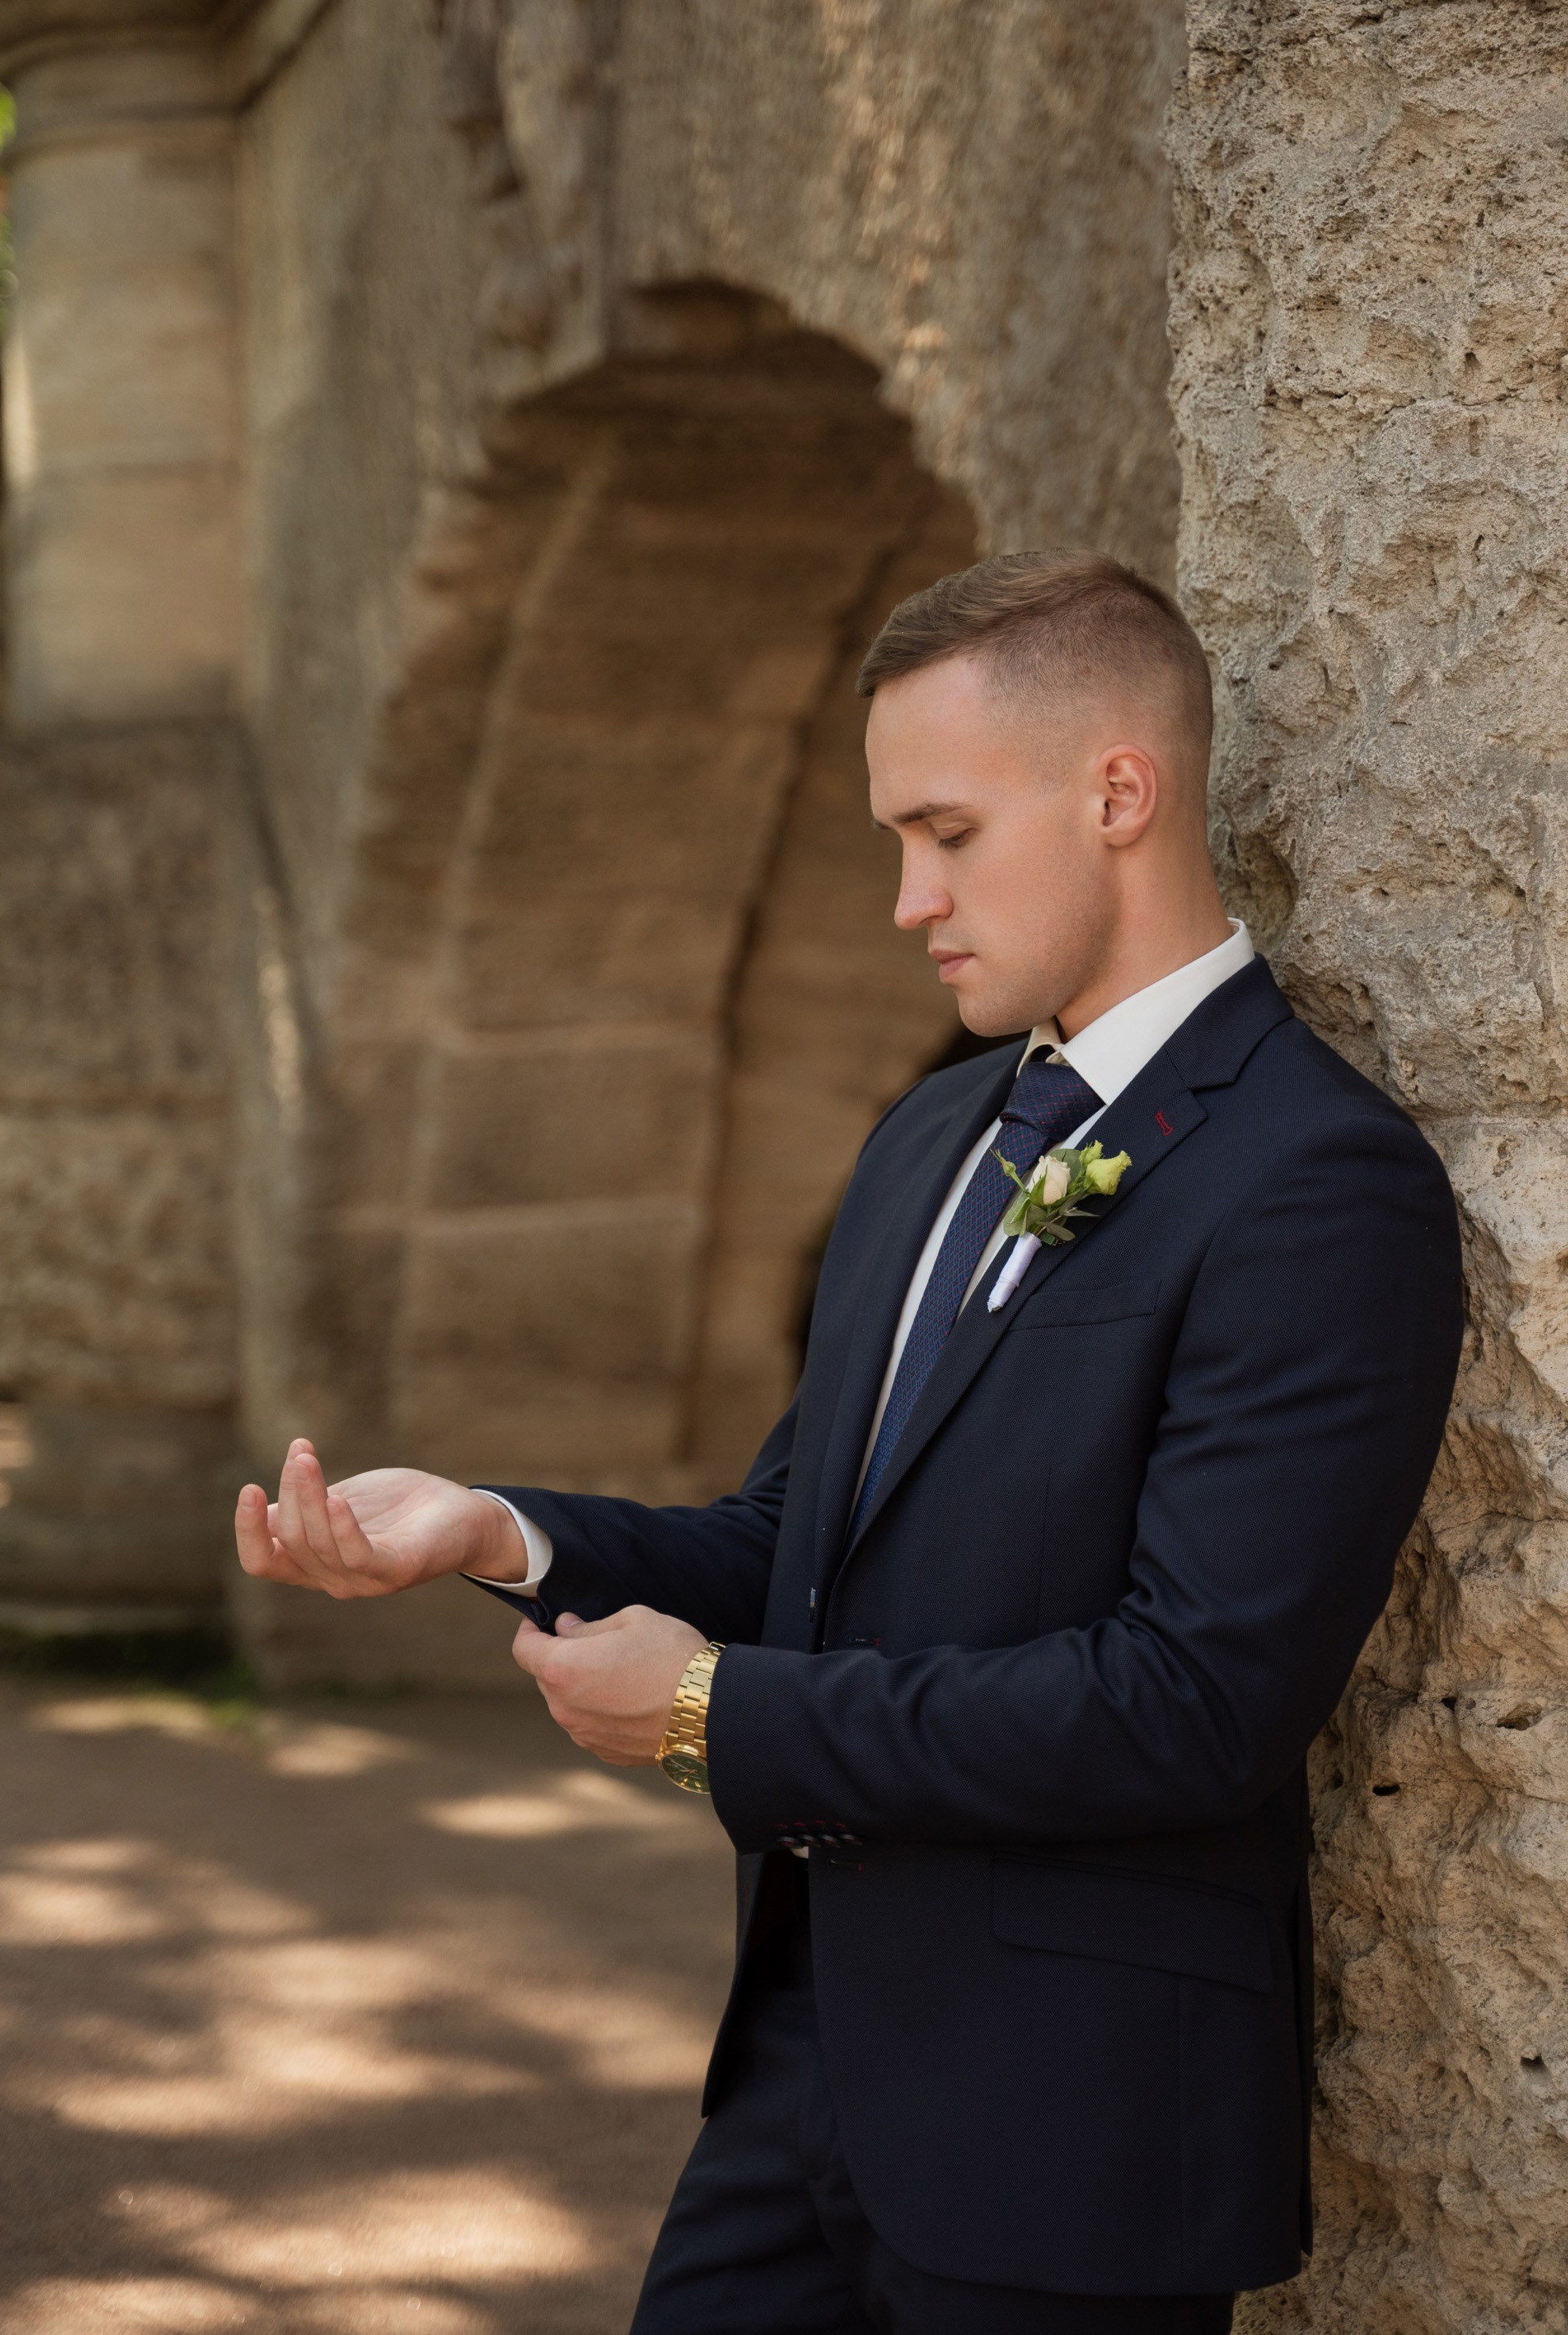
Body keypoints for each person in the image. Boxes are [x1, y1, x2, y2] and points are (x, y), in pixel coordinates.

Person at [236, 552, 1464, 2335]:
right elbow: (794, 1542)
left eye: (946, 833)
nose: (908, 899)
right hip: (796, 2075)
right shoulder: (931, 1136)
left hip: (1072, 2133)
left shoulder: (1318, 1182)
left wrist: (716, 1715)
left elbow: (1195, 1702)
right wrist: (496, 1531)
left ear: (1119, 791)